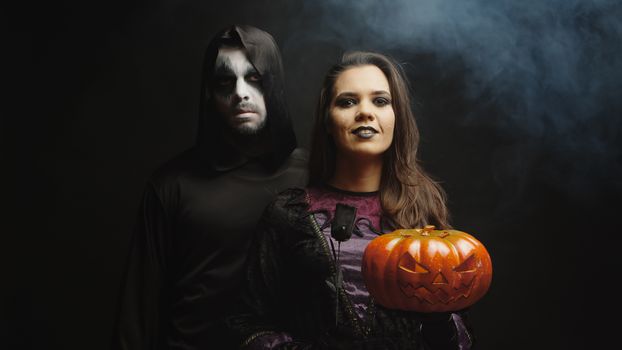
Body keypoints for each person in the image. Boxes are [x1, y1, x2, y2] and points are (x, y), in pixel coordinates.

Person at [229, 51, 473, 349]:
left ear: (398, 118)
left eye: (381, 101)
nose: (365, 112)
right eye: (347, 101)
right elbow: (248, 325)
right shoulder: (289, 212)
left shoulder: (423, 211)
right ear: (328, 123)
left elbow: (458, 338)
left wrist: (440, 319)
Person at [112, 25, 307, 350]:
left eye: (254, 77)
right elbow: (138, 312)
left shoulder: (314, 176)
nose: (240, 92)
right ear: (210, 93)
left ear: (273, 83)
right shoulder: (172, 184)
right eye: (224, 81)